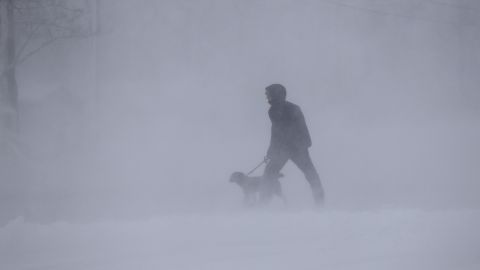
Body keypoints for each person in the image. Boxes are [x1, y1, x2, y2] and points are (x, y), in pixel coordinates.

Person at [261, 84, 324, 205]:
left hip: (294, 148)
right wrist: (271, 151)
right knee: (311, 175)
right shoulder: (277, 110)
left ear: (275, 95)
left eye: (268, 94)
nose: (266, 96)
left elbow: (280, 132)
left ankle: (263, 204)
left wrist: (273, 151)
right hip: (292, 149)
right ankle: (263, 203)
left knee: (269, 174)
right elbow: (276, 132)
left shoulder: (281, 110)